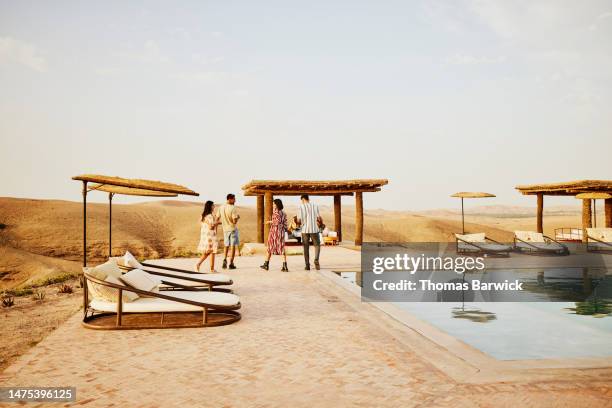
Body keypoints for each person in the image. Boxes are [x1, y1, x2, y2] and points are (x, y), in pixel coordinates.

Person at [295, 194, 323, 270]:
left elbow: (299, 220)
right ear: (308, 198)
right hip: (314, 229)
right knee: (317, 245)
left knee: (306, 247)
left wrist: (297, 223)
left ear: (303, 199)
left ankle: (307, 265)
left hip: (305, 229)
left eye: (302, 201)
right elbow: (319, 218)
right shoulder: (315, 206)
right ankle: (316, 260)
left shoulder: (301, 207)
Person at [260, 199, 289, 272]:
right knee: (282, 248)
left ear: (276, 204)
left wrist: (269, 222)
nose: (273, 205)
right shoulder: (284, 213)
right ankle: (285, 266)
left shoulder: (276, 213)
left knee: (270, 247)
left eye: (274, 204)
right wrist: (284, 229)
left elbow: (276, 222)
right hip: (281, 232)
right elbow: (285, 224)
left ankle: (266, 264)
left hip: (274, 232)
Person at [195, 201, 220, 272]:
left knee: (209, 252)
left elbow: (203, 224)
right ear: (210, 207)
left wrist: (216, 223)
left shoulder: (203, 215)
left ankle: (210, 268)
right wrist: (217, 223)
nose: (214, 207)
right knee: (210, 252)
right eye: (213, 205)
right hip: (210, 236)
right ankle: (200, 265)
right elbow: (211, 227)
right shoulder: (210, 216)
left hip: (205, 236)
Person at [218, 193, 240, 269]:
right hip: (232, 229)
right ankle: (231, 263)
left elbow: (217, 218)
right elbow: (234, 221)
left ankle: (224, 259)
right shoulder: (233, 208)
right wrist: (237, 217)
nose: (235, 200)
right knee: (232, 246)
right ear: (230, 199)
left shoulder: (221, 207)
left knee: (226, 245)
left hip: (225, 229)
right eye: (234, 199)